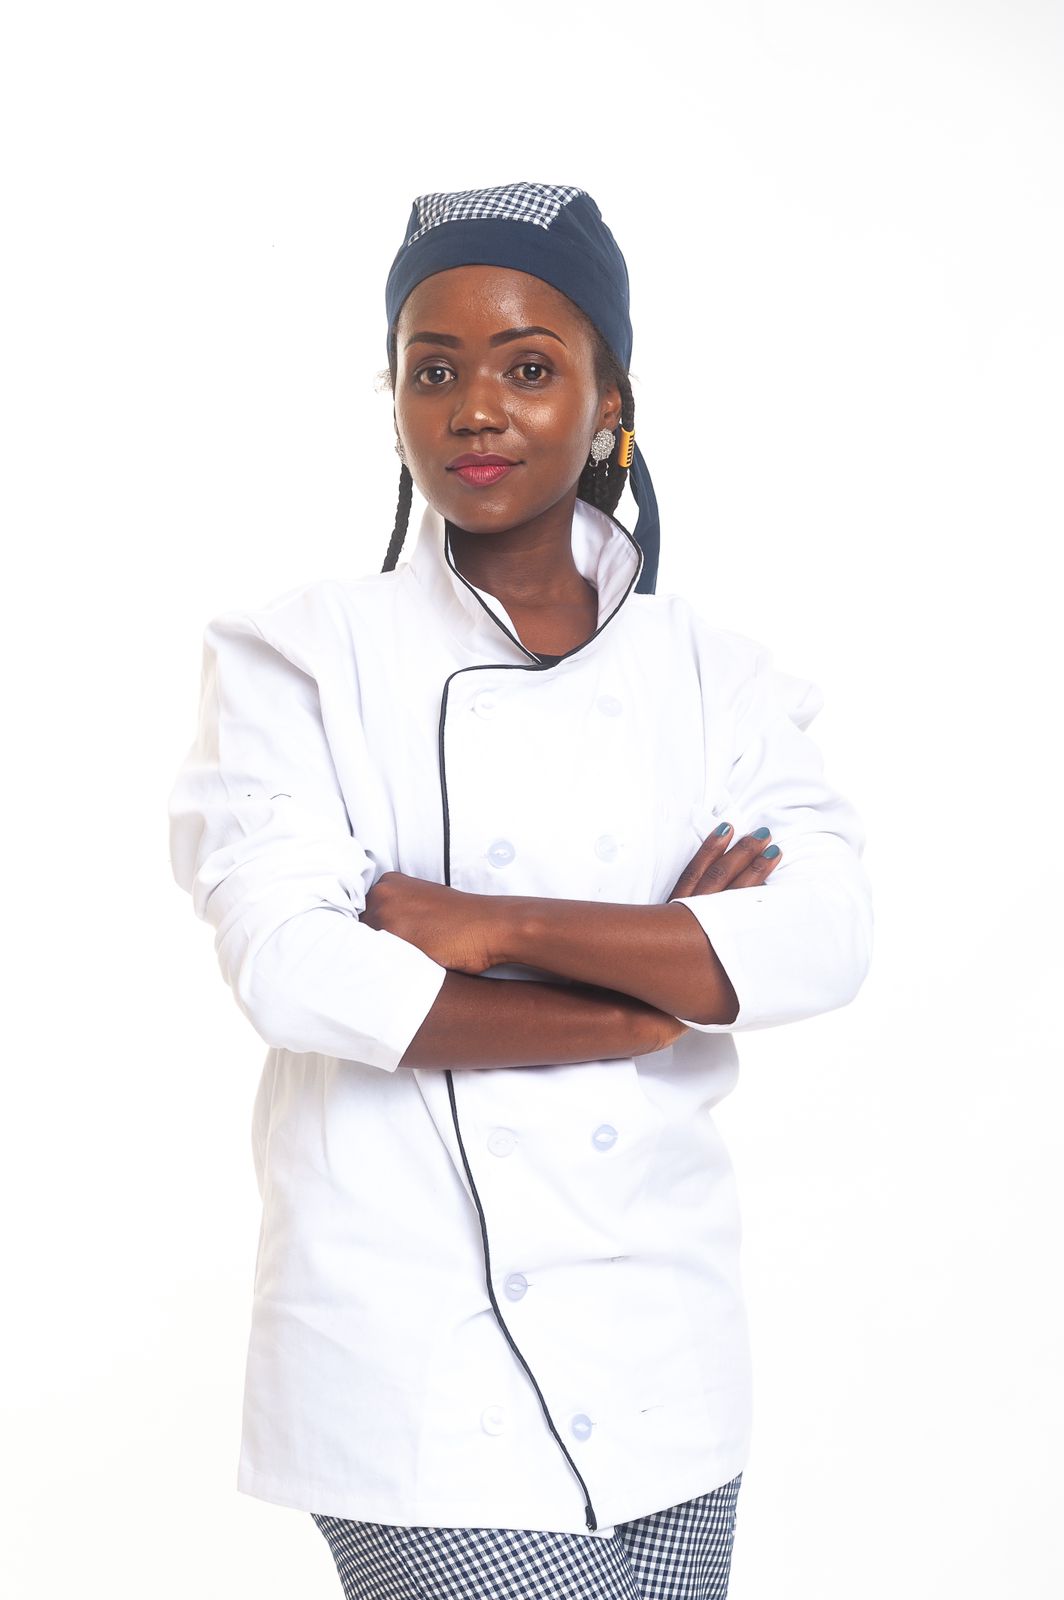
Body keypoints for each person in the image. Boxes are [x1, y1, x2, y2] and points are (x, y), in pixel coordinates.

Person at [168, 180, 873, 1600]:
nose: (476, 408)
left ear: (611, 400)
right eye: (433, 371)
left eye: (529, 367)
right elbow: (298, 970)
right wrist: (642, 1001)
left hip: (665, 1355)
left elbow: (821, 936)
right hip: (415, 1374)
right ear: (395, 402)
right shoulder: (297, 656)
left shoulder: (714, 677)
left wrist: (487, 929)